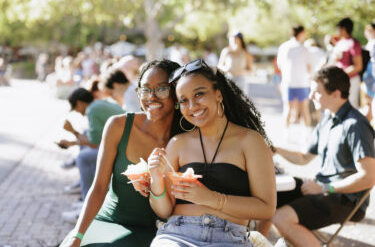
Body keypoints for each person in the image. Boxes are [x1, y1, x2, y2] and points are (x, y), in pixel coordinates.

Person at [147, 59, 276, 246]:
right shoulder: (177, 144)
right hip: (177, 234)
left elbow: (266, 209)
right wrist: (156, 180)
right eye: (183, 100)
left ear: (218, 95)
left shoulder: (250, 141)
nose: (192, 106)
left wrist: (211, 199)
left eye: (199, 94)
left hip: (229, 237)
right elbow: (164, 211)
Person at [60, 59, 183, 247]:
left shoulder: (187, 138)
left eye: (162, 89)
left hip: (161, 232)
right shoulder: (118, 126)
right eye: (145, 89)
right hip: (110, 220)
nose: (151, 96)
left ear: (177, 92)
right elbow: (99, 187)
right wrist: (78, 235)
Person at [259, 66, 375, 247]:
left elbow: (368, 177)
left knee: (281, 218)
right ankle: (257, 243)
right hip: (323, 188)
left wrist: (324, 188)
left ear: (336, 94)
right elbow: (305, 157)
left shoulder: (356, 125)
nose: (311, 96)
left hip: (347, 199)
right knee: (266, 195)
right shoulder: (328, 118)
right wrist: (275, 149)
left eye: (316, 92)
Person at [58, 85, 125, 223]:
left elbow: (94, 143)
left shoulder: (91, 110)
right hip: (122, 145)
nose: (77, 111)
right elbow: (95, 139)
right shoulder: (99, 104)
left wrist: (73, 131)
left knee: (83, 158)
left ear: (79, 103)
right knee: (84, 152)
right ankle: (87, 199)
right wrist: (72, 142)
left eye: (76, 108)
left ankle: (87, 207)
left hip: (122, 150)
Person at [277, 25, 312, 134]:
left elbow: (279, 65)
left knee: (287, 109)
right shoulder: (304, 49)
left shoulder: (283, 47)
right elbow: (309, 67)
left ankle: (286, 134)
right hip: (302, 83)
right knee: (304, 110)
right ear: (301, 33)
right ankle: (306, 136)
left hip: (288, 82)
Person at [333, 17, 363, 108]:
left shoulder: (354, 43)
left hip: (351, 80)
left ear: (343, 29)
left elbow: (358, 66)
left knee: (351, 105)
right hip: (339, 80)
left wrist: (342, 73)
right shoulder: (340, 43)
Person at [218, 31, 253, 95]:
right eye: (230, 38)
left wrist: (241, 71)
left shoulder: (246, 53)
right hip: (228, 79)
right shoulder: (226, 51)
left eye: (235, 38)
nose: (232, 40)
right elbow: (219, 65)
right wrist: (226, 69)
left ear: (240, 39)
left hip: (241, 81)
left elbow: (250, 70)